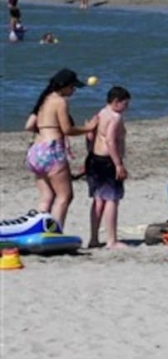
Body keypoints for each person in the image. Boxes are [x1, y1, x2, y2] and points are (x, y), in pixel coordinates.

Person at [25, 69, 92, 231]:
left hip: (35, 151)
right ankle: (55, 232)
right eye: (72, 87)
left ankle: (39, 230)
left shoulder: (43, 100)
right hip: (51, 151)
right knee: (65, 196)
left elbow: (28, 126)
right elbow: (67, 129)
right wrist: (88, 128)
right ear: (64, 86)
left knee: (46, 196)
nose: (73, 90)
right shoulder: (60, 101)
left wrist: (46, 130)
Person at [83, 86, 131, 251]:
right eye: (126, 104)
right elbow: (110, 140)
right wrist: (118, 164)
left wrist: (90, 150)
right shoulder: (115, 117)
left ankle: (94, 238)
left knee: (98, 199)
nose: (127, 108)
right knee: (111, 200)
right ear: (116, 102)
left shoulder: (101, 113)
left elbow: (89, 134)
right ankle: (112, 240)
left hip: (95, 159)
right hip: (107, 161)